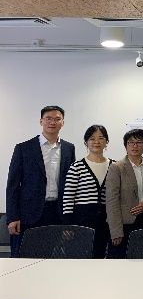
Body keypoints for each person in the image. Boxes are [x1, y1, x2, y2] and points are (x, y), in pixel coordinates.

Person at [5, 105, 76, 257]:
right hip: (28, 214)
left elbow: (71, 185)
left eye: (57, 119)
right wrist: (12, 217)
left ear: (62, 123)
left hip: (56, 213)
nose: (52, 122)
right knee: (22, 258)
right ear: (41, 121)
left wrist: (69, 220)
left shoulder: (69, 149)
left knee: (49, 258)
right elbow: (12, 186)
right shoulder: (23, 148)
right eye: (48, 118)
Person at [62, 125, 115, 258]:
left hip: (106, 221)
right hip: (81, 220)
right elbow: (68, 198)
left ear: (107, 142)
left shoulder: (114, 166)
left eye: (101, 138)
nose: (97, 142)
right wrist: (68, 225)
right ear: (86, 142)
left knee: (100, 256)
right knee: (80, 257)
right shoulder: (76, 167)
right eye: (92, 138)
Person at [105, 129, 143, 259]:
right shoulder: (116, 167)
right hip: (123, 224)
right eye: (131, 142)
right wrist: (116, 231)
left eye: (139, 142)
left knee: (142, 260)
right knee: (119, 262)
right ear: (126, 145)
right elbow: (112, 200)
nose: (135, 146)